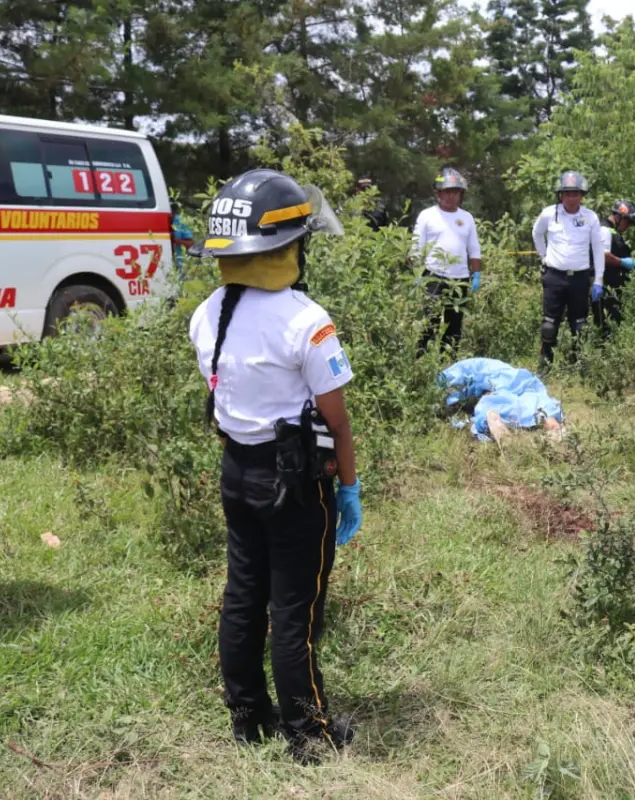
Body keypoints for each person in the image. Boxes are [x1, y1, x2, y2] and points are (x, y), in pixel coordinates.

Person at [188, 168, 363, 765]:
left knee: (243, 595)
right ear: (288, 247)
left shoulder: (207, 313)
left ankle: (248, 717)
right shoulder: (305, 321)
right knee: (296, 608)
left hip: (237, 473)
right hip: (293, 486)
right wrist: (349, 487)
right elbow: (337, 421)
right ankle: (309, 733)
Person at [531, 170, 605, 369]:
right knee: (549, 324)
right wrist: (544, 257)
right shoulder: (549, 213)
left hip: (579, 279)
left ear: (582, 195)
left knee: (580, 325)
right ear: (560, 195)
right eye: (567, 193)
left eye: (575, 193)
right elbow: (537, 234)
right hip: (554, 276)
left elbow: (598, 249)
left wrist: (598, 280)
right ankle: (545, 366)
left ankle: (578, 364)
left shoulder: (591, 217)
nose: (571, 198)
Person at [413, 167, 482, 356]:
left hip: (460, 279)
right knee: (430, 323)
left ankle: (448, 367)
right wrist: (416, 274)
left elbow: (474, 248)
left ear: (461, 194)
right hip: (433, 276)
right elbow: (416, 248)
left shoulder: (466, 218)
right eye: (447, 192)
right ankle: (422, 364)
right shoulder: (427, 216)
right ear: (438, 193)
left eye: (456, 192)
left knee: (454, 327)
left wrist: (476, 274)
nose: (451, 196)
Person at [594, 199, 635, 335]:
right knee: (606, 326)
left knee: (613, 324)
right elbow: (603, 256)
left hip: (612, 288)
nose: (627, 227)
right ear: (620, 217)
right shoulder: (604, 229)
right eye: (627, 222)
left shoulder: (612, 232)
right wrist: (623, 262)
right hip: (604, 288)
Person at [170, 200, 195, 283]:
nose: (171, 214)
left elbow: (190, 244)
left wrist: (177, 241)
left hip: (179, 262)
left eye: (173, 211)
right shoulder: (158, 220)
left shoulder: (181, 222)